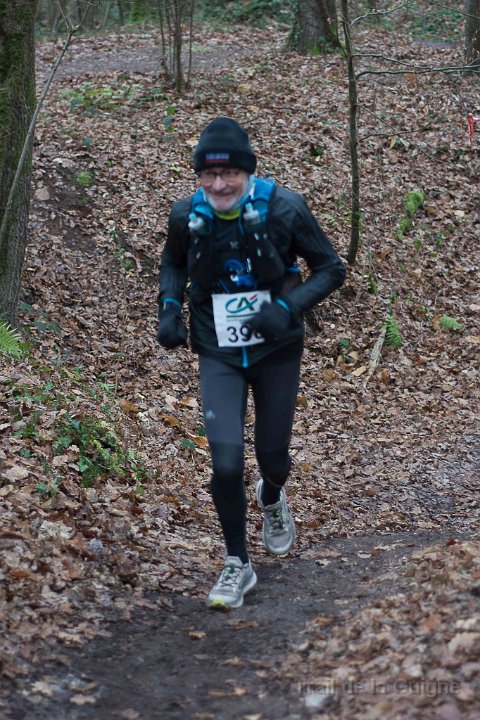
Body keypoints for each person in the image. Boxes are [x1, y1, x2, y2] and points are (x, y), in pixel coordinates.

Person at [157, 117, 345, 610]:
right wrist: (170, 308)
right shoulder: (186, 214)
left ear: (248, 172)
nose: (219, 185)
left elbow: (331, 269)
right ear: (199, 175)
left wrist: (286, 307)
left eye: (230, 174)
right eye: (209, 175)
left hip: (277, 347)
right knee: (224, 460)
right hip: (217, 348)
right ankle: (237, 563)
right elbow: (173, 262)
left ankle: (272, 494)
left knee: (273, 456)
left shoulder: (285, 208)